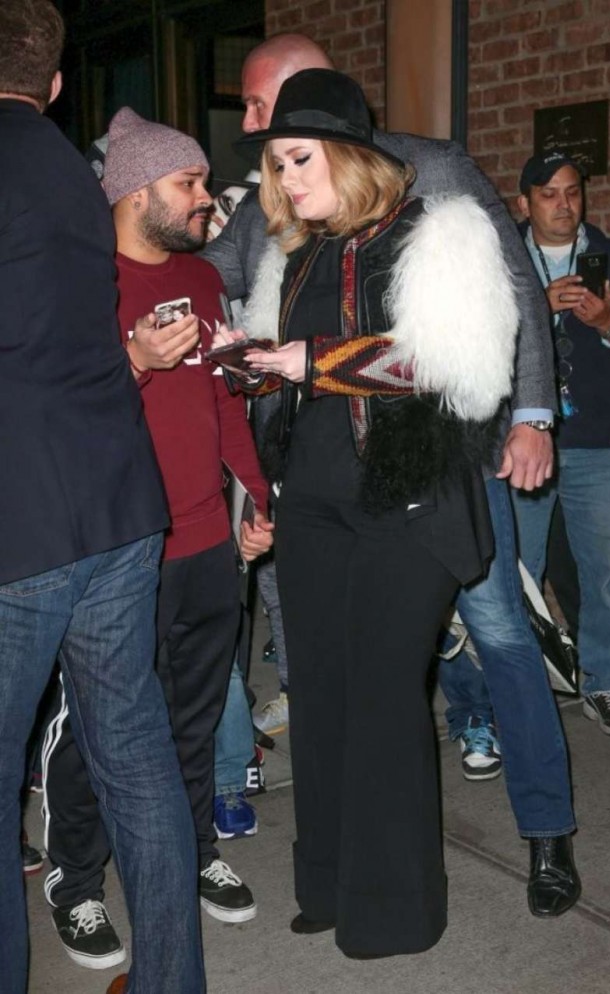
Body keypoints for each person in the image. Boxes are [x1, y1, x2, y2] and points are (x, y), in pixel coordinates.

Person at [202, 32, 582, 919]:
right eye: (271, 150)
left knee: (495, 639)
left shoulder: (435, 181)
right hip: (320, 494)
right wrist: (234, 353)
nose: (264, 145)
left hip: (430, 476)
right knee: (329, 684)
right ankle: (336, 880)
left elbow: (492, 319)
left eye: (269, 117)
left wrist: (533, 415)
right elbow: (235, 301)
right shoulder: (289, 223)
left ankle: (544, 834)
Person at [0, 4, 206, 993]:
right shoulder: (74, 177)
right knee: (136, 755)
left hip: (21, 523)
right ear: (52, 84)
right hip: (120, 502)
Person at [39, 107, 272, 980]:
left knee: (194, 715)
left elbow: (221, 403)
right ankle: (76, 880)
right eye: (190, 182)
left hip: (207, 537)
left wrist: (257, 496)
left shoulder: (204, 280)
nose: (208, 198)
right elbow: (57, 417)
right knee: (96, 730)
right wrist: (133, 357)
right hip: (118, 547)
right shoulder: (78, 280)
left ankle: (192, 847)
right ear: (138, 191)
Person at [513, 151, 610, 737]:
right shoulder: (505, 258)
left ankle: (607, 685)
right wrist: (537, 309)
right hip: (523, 442)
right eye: (549, 194)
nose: (563, 204)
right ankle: (519, 692)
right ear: (525, 203)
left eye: (572, 191)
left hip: (597, 440)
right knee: (519, 573)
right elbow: (481, 339)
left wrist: (607, 324)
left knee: (600, 573)